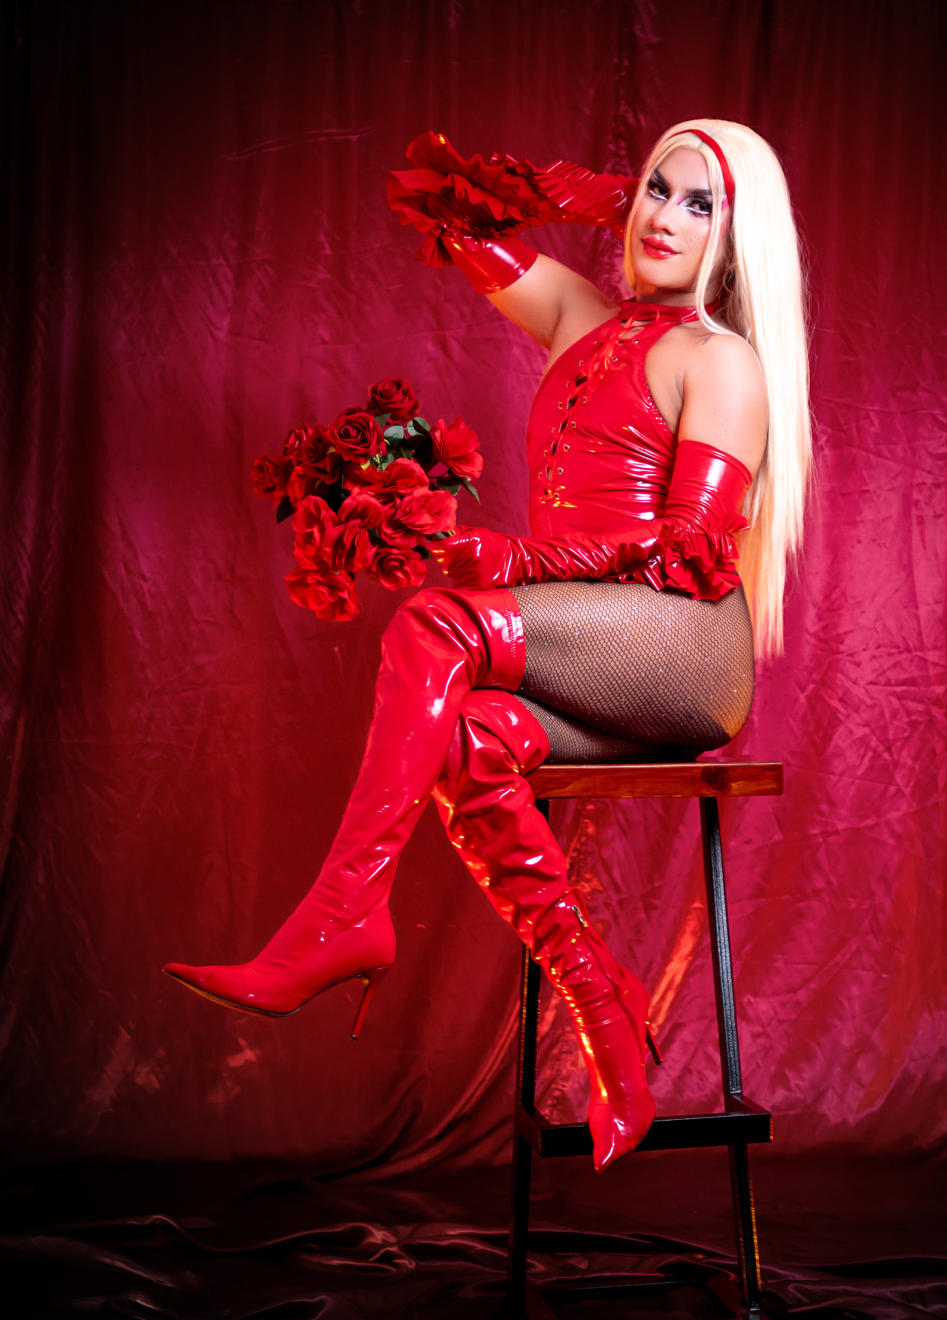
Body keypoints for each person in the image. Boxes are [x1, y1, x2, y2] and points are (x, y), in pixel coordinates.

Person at [164, 120, 812, 1171]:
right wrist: (613, 197)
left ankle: (342, 914)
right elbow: (440, 206)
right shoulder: (576, 315)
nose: (665, 218)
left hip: (683, 650)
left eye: (702, 205)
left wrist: (512, 560)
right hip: (589, 645)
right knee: (468, 737)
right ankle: (601, 1001)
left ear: (739, 238)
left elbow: (689, 554)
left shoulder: (721, 359)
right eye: (658, 190)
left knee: (437, 620)